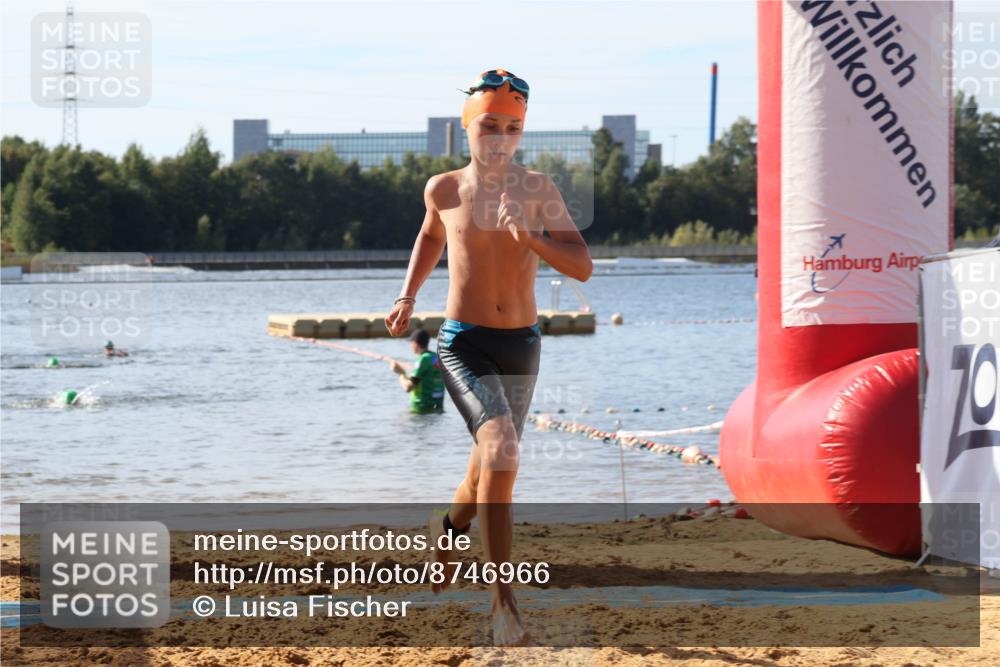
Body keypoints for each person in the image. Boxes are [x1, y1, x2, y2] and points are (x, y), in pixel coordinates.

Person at [384, 68, 593, 646]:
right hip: (464, 343)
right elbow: (431, 236)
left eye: (512, 127)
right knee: (501, 452)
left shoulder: (538, 190)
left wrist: (532, 240)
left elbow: (581, 265)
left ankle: (447, 532)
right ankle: (504, 606)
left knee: (489, 465)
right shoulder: (444, 189)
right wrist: (408, 294)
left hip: (522, 343)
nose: (500, 137)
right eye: (489, 125)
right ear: (467, 127)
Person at [389, 329, 445, 413]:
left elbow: (408, 387)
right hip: (438, 408)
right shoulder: (436, 357)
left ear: (415, 343)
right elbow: (426, 376)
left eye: (411, 343)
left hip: (421, 409)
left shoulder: (423, 359)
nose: (410, 345)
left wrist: (401, 373)